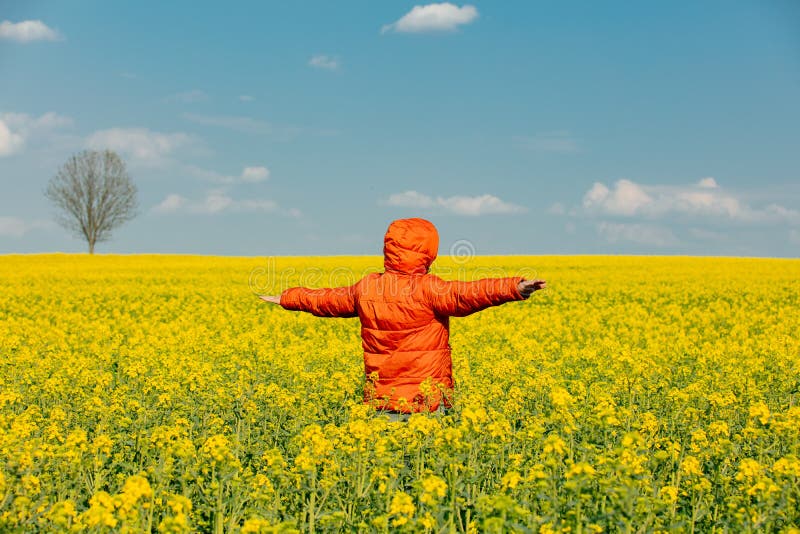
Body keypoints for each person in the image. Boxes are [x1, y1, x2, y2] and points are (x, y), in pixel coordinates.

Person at [258, 218, 546, 420]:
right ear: (428, 253)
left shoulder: (367, 287)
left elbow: (325, 299)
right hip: (427, 404)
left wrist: (288, 297)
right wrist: (513, 287)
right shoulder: (428, 288)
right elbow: (466, 294)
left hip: (383, 402)